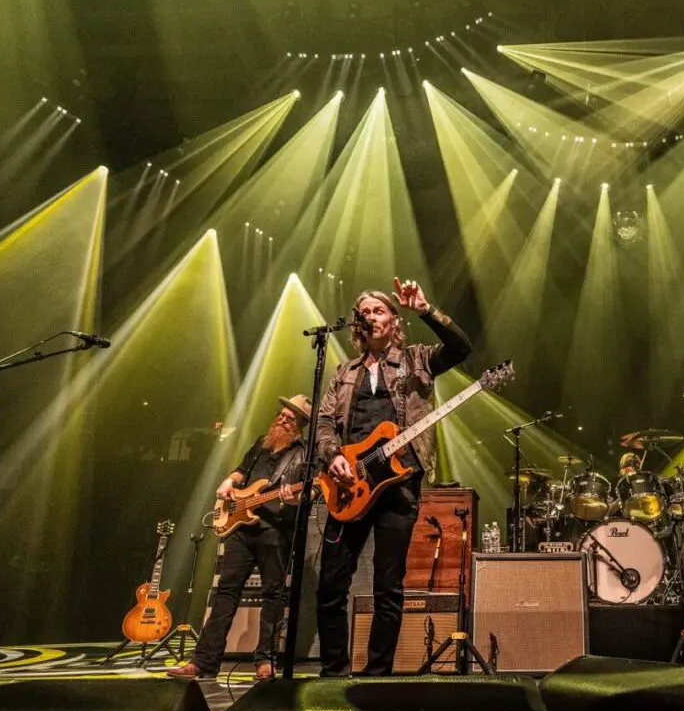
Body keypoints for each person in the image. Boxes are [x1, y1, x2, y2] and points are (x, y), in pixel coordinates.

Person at [316, 278, 471, 676]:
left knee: (388, 585)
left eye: (378, 310)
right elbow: (324, 422)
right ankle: (333, 672)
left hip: (399, 484)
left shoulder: (416, 360)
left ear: (394, 320)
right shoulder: (344, 371)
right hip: (350, 486)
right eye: (364, 311)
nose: (370, 316)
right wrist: (333, 455)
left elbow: (461, 347)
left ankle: (376, 676)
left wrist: (426, 309)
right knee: (332, 584)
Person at [169, 395, 310, 680]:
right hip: (241, 529)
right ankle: (204, 662)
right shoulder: (262, 442)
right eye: (281, 414)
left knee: (273, 595)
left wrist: (293, 499)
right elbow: (241, 471)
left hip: (276, 531)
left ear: (300, 426)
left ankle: (265, 661)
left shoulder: (304, 453)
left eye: (290, 418)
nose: (282, 419)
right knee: (225, 593)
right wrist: (227, 482)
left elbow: (310, 492)